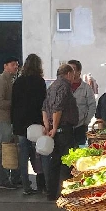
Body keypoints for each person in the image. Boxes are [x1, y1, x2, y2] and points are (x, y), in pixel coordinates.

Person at [11, 53, 48, 196]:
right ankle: (43, 184)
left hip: (20, 124)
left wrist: (14, 123)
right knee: (40, 154)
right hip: (36, 123)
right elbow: (42, 104)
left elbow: (13, 104)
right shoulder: (40, 81)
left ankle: (26, 185)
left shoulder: (18, 82)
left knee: (23, 156)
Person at [41, 64, 79, 201]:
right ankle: (63, 194)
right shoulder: (64, 86)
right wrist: (55, 127)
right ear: (68, 73)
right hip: (63, 129)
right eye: (73, 74)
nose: (74, 77)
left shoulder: (52, 86)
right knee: (66, 162)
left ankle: (51, 193)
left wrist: (47, 126)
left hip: (54, 129)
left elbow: (44, 108)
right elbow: (58, 108)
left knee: (54, 162)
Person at [0, 56, 20, 189]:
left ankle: (14, 178)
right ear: (5, 66)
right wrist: (15, 104)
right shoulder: (1, 80)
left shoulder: (13, 79)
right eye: (13, 64)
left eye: (17, 64)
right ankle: (3, 180)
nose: (16, 67)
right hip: (3, 119)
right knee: (4, 149)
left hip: (10, 119)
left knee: (13, 149)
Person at [68, 60, 96, 147]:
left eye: (73, 69)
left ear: (79, 72)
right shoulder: (63, 87)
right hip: (65, 128)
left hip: (80, 127)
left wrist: (86, 122)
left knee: (79, 151)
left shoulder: (86, 88)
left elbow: (92, 105)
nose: (70, 72)